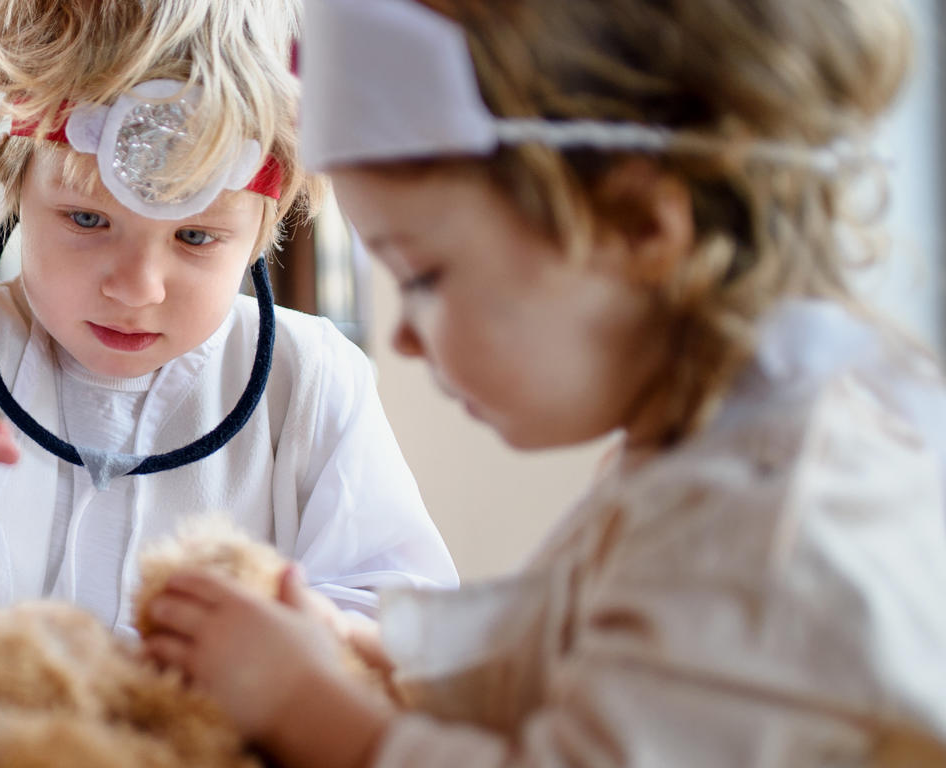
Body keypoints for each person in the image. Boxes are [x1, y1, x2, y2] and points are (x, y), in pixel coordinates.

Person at [144, 0, 946, 764]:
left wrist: (309, 710)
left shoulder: (771, 526)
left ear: (640, 229)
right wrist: (362, 649)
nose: (404, 338)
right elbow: (569, 646)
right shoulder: (709, 448)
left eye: (422, 275)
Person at [0, 0, 456, 631]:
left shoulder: (315, 385)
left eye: (195, 237)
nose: (137, 288)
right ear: (16, 183)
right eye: (87, 219)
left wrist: (291, 640)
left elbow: (397, 619)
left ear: (264, 227)